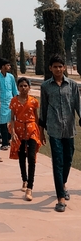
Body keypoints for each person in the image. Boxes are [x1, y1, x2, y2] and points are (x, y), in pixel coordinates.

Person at [39, 54, 81, 212]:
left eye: (60, 66)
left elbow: (78, 104)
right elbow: (43, 110)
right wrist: (41, 131)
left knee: (68, 159)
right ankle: (60, 198)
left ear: (64, 68)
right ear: (50, 68)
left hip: (69, 128)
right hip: (54, 129)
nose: (58, 69)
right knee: (57, 162)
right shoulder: (45, 87)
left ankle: (62, 184)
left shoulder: (72, 85)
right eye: (55, 66)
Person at [9, 77, 42, 201]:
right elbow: (12, 118)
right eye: (21, 86)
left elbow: (36, 117)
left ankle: (30, 187)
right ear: (18, 87)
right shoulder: (14, 101)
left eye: (25, 86)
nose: (23, 88)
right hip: (19, 130)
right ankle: (24, 178)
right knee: (22, 156)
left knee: (32, 158)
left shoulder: (33, 101)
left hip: (32, 130)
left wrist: (39, 132)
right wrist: (12, 132)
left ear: (29, 87)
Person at [0, 58, 17, 149]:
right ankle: (5, 143)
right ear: (2, 66)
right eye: (7, 65)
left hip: (10, 102)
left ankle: (8, 139)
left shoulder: (11, 77)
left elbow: (14, 89)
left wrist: (17, 100)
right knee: (2, 123)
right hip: (1, 102)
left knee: (11, 122)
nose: (9, 66)